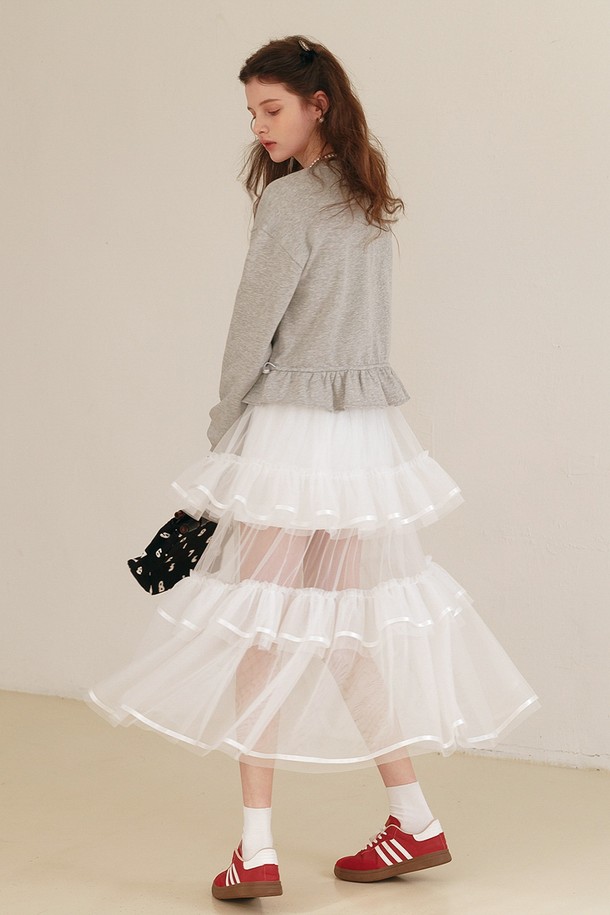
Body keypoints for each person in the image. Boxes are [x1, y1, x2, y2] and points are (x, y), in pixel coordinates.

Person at [87, 35, 540, 901]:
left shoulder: (290, 204)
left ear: (316, 103)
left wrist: (227, 430)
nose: (259, 127)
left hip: (292, 437)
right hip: (362, 443)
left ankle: (256, 848)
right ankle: (414, 817)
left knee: (264, 627)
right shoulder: (369, 199)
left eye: (272, 108)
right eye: (252, 112)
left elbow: (249, 331)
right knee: (342, 630)